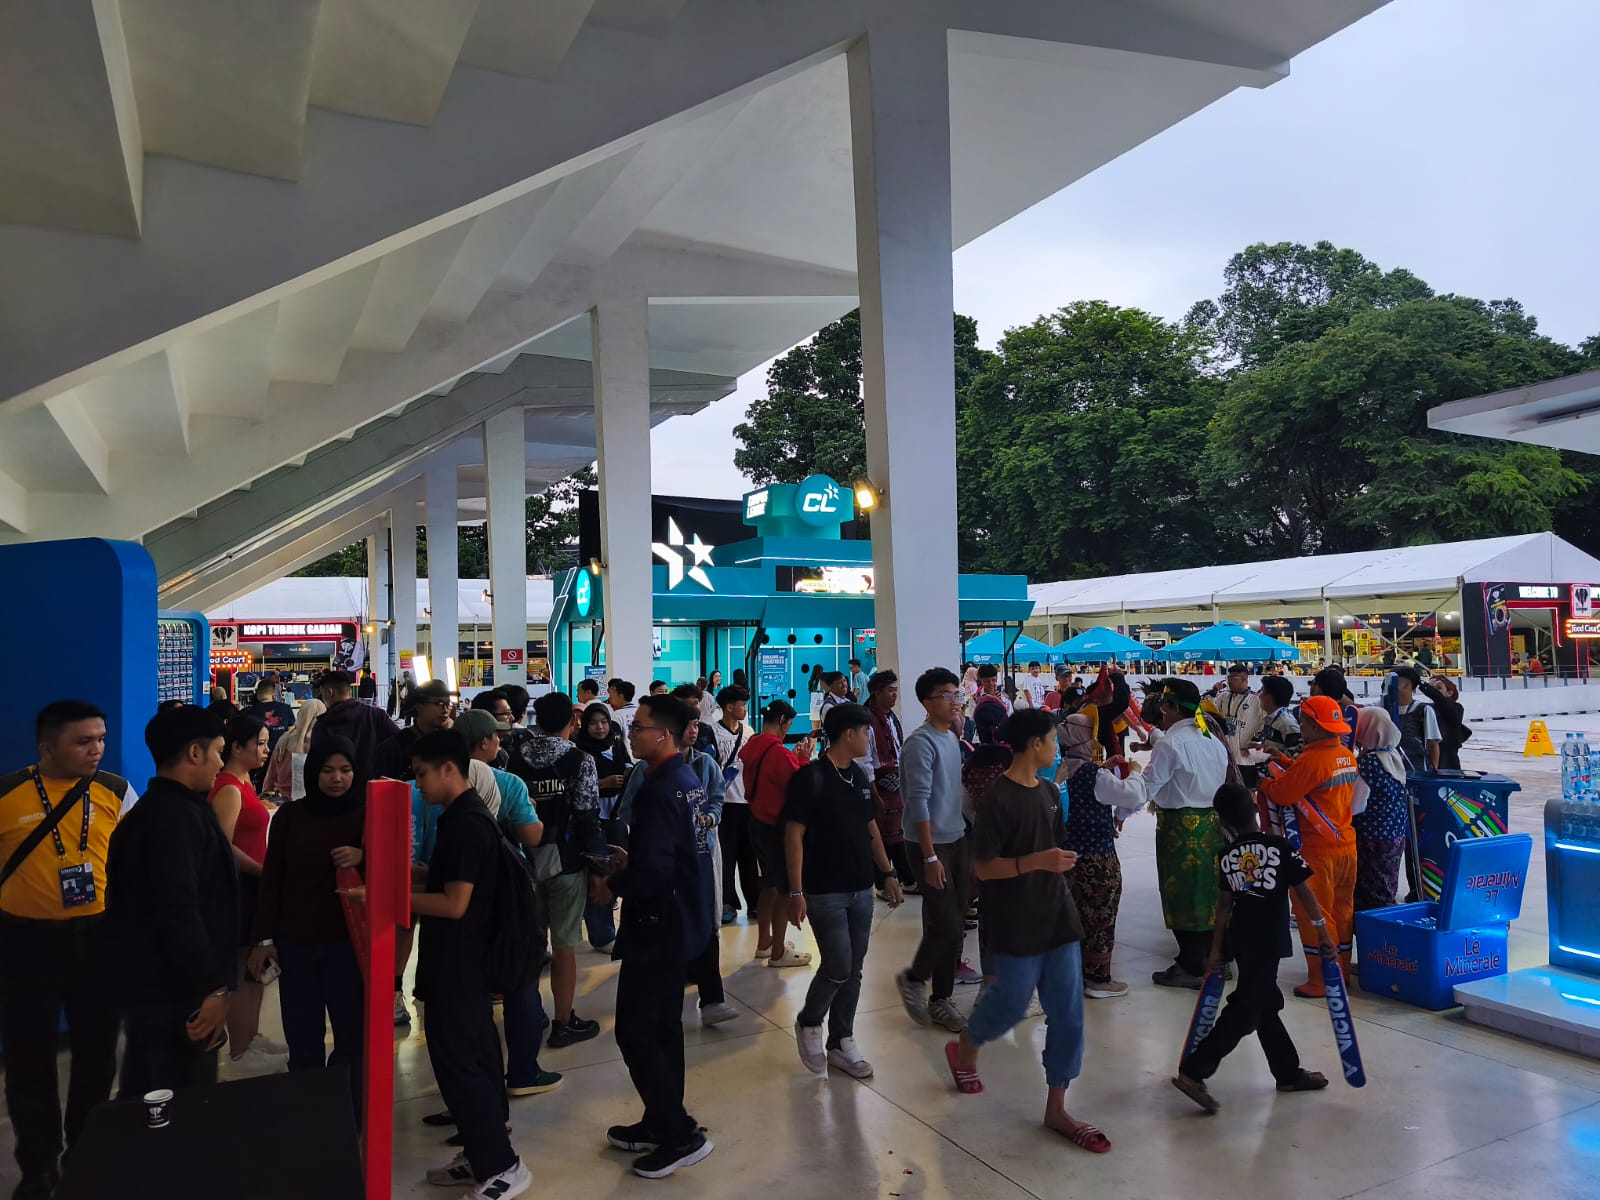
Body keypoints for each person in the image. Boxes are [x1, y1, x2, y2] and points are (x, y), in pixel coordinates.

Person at [944, 709, 1109, 1154]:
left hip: (1057, 916)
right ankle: (967, 1044)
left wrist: (1058, 864)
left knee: (1068, 1014)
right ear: (1035, 744)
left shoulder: (1050, 792)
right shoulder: (998, 798)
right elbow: (984, 868)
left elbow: (1055, 845)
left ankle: (1057, 1107)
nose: (1057, 747)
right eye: (1053, 740)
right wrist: (1037, 862)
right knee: (1010, 1005)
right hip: (1015, 920)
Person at [0, 702, 135, 1200]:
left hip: (97, 940)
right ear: (47, 748)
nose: (96, 749)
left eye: (100, 738)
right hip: (25, 944)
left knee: (97, 1055)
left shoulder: (116, 792)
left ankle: (86, 1152)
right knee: (28, 1059)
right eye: (83, 741)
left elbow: (136, 864)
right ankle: (38, 1168)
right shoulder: (8, 794)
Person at [392, 730, 531, 1200]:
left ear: (449, 768)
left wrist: (386, 898)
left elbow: (454, 904)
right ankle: (480, 1153)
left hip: (461, 967)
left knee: (464, 1066)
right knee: (474, 1060)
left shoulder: (467, 823)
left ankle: (502, 1166)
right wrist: (419, 875)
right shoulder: (460, 817)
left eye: (422, 774)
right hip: (457, 965)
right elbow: (456, 881)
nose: (418, 784)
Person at [597, 695, 716, 1179]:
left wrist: (613, 884)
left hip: (658, 926)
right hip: (681, 918)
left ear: (663, 734)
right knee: (664, 1028)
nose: (631, 734)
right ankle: (660, 1119)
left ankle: (679, 1133)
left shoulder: (658, 786)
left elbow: (654, 873)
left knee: (637, 1030)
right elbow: (673, 853)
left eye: (639, 727)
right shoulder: (684, 779)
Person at [1172, 783, 1334, 1113]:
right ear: (1256, 810)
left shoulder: (1227, 856)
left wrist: (1216, 949)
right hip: (1268, 941)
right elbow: (1304, 892)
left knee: (1265, 1003)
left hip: (1240, 939)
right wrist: (1322, 931)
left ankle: (1287, 1073)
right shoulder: (1280, 847)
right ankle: (1194, 1071)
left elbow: (1223, 907)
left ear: (1224, 821)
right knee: (1246, 1009)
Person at [108, 706, 237, 1100]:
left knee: (148, 1093)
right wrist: (212, 989)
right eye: (218, 752)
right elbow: (179, 909)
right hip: (179, 998)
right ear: (194, 753)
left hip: (151, 992)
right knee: (180, 1102)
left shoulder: (148, 813)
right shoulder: (176, 820)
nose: (220, 763)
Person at [248, 737, 367, 1111]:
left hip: (347, 947)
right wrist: (263, 938)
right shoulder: (290, 817)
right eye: (327, 770)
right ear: (313, 772)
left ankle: (347, 1116)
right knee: (302, 1038)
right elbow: (272, 880)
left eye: (345, 770)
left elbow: (391, 873)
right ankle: (310, 1116)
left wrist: (364, 856)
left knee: (352, 1038)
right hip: (296, 945)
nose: (337, 778)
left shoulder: (367, 815)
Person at [785, 703, 903, 1077]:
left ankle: (841, 1040)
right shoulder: (810, 778)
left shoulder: (859, 777)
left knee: (854, 968)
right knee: (837, 964)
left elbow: (871, 830)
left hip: (861, 887)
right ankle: (809, 1021)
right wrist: (795, 892)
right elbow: (794, 835)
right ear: (848, 734)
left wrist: (888, 872)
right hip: (824, 890)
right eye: (865, 732)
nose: (869, 738)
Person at [455, 709, 563, 1103]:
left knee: (469, 989)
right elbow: (532, 837)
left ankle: (476, 1079)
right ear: (484, 742)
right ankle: (523, 1071)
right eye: (496, 736)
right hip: (506, 894)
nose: (500, 742)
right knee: (521, 981)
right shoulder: (507, 783)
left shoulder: (432, 783)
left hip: (453, 896)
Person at [1259, 696, 1359, 997]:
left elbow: (1284, 793)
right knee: (1342, 912)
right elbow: (1311, 780)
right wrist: (1285, 760)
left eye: (1303, 722)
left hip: (1316, 852)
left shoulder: (1313, 760)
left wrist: (1262, 783)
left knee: (1314, 914)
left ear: (1316, 727)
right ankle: (1340, 973)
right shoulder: (1345, 754)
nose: (1300, 726)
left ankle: (1321, 980)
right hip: (1345, 845)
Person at [207, 715, 286, 1075]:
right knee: (241, 968)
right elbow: (223, 846)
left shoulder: (245, 782)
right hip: (241, 887)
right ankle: (240, 1048)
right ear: (237, 747)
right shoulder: (227, 787)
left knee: (257, 967)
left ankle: (251, 1037)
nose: (266, 750)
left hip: (256, 885)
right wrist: (260, 869)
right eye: (261, 743)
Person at [896, 667, 972, 1034]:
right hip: (929, 844)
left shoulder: (951, 738)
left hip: (957, 838)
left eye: (957, 694)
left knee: (952, 925)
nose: (955, 701)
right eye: (946, 695)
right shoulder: (920, 743)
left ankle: (941, 998)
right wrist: (928, 857)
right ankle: (914, 978)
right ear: (927, 703)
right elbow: (918, 802)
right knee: (946, 923)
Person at [1143, 678, 1231, 988]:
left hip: (1179, 829)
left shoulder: (1170, 744)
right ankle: (1216, 958)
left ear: (1172, 708)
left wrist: (1120, 808)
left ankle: (1194, 965)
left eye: (1163, 706)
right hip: (1211, 826)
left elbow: (1147, 787)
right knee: (1209, 894)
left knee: (1182, 896)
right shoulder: (1211, 740)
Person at [1056, 713, 1145, 998]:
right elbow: (1133, 795)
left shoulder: (1058, 769)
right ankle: (1098, 979)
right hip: (1097, 859)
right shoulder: (1095, 776)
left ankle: (1072, 974)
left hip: (1066, 857)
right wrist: (1135, 772)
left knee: (1073, 916)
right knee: (1100, 917)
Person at [738, 700, 815, 969]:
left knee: (768, 885)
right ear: (782, 720)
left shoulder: (754, 745)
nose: (788, 730)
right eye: (788, 725)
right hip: (775, 827)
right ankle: (779, 952)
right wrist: (803, 759)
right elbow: (799, 787)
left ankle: (764, 943)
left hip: (756, 821)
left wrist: (793, 757)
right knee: (784, 890)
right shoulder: (778, 753)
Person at [677, 711, 738, 1027]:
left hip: (703, 854)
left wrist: (710, 819)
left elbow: (716, 799)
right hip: (668, 860)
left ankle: (712, 999)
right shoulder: (649, 768)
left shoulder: (705, 764)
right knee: (673, 925)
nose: (693, 731)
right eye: (687, 725)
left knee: (706, 921)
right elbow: (631, 809)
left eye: (695, 725)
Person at [1352, 707, 1410, 912]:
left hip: (1371, 840)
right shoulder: (1393, 755)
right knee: (1386, 887)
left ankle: (1377, 930)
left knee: (1371, 894)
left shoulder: (1369, 764)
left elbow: (1355, 805)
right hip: (1394, 836)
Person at [709, 685, 758, 925]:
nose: (745, 709)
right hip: (725, 803)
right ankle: (727, 902)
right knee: (726, 856)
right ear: (729, 707)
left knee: (750, 856)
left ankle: (755, 903)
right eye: (742, 705)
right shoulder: (712, 732)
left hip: (748, 802)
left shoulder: (749, 731)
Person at [863, 671, 912, 893]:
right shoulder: (868, 720)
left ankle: (906, 878)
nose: (895, 695)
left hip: (895, 784)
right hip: (879, 785)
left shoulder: (892, 718)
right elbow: (865, 762)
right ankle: (883, 883)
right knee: (880, 836)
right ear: (877, 692)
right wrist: (874, 794)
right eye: (890, 691)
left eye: (896, 690)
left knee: (898, 834)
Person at [312, 670, 400, 778]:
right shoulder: (376, 715)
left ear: (329, 692)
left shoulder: (323, 725)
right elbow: (401, 742)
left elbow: (316, 765)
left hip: (338, 785)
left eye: (322, 694)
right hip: (375, 784)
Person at [372, 678, 452, 780]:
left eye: (448, 704)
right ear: (419, 706)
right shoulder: (394, 748)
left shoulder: (451, 744)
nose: (445, 710)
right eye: (439, 704)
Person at [262, 697, 324, 799]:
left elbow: (270, 776)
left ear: (300, 715)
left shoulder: (284, 740)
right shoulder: (323, 744)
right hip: (313, 802)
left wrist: (265, 796)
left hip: (281, 800)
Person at [243, 679, 296, 783]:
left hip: (258, 758)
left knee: (262, 785)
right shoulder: (286, 708)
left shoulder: (249, 712)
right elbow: (291, 733)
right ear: (273, 693)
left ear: (257, 693)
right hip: (281, 756)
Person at [1391, 667, 1441, 771]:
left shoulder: (1424, 710)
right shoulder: (1383, 707)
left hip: (1418, 771)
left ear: (1407, 685)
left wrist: (1433, 771)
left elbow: (1433, 744)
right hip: (1391, 770)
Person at [1420, 674, 1468, 771]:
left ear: (1450, 692)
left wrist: (1423, 685)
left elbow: (1442, 702)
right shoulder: (1427, 708)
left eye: (1438, 687)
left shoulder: (1456, 708)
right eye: (1431, 687)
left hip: (1448, 762)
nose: (1433, 691)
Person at [1212, 664, 1262, 749]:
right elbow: (1212, 713)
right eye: (1229, 677)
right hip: (1225, 748)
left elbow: (1262, 725)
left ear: (1245, 679)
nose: (1229, 681)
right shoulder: (1223, 696)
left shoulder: (1256, 700)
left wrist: (1255, 740)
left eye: (1233, 678)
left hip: (1246, 750)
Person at [1251, 676, 1301, 761]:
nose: (1258, 695)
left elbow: (1293, 758)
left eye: (1262, 691)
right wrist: (1259, 747)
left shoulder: (1287, 724)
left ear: (1270, 697)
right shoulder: (1270, 718)